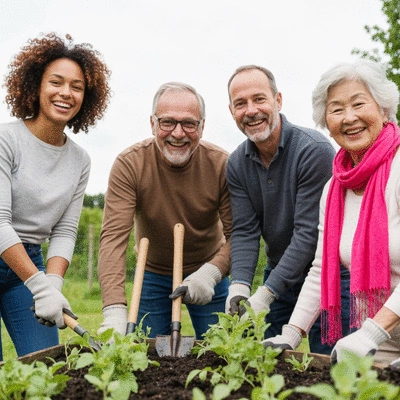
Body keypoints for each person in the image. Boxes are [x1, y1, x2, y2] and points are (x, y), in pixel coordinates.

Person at [263, 60, 400, 367]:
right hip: (383, 339)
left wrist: (373, 332)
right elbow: (321, 267)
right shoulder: (335, 188)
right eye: (337, 109)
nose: (349, 117)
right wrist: (292, 332)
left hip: (377, 331)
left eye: (358, 103)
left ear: (383, 108)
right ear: (326, 121)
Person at [0, 32, 111, 360]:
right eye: (56, 82)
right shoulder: (7, 140)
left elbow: (64, 231)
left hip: (27, 263)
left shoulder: (80, 160)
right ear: (35, 86)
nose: (66, 93)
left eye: (77, 87)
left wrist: (54, 285)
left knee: (47, 367)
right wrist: (39, 286)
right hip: (20, 264)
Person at [98, 82, 231, 339]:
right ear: (152, 124)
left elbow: (240, 235)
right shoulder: (130, 164)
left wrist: (212, 273)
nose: (178, 133)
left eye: (189, 124)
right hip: (153, 273)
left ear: (202, 126)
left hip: (208, 271)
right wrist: (114, 309)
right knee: (148, 360)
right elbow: (113, 240)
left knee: (224, 353)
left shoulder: (221, 165)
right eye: (167, 122)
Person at [225, 65, 336, 354]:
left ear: (278, 100)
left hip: (327, 275)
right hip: (281, 273)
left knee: (326, 365)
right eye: (240, 103)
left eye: (259, 99)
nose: (251, 110)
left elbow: (307, 234)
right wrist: (239, 286)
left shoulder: (314, 150)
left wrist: (266, 292)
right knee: (270, 359)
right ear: (231, 110)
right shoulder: (237, 163)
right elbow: (245, 231)